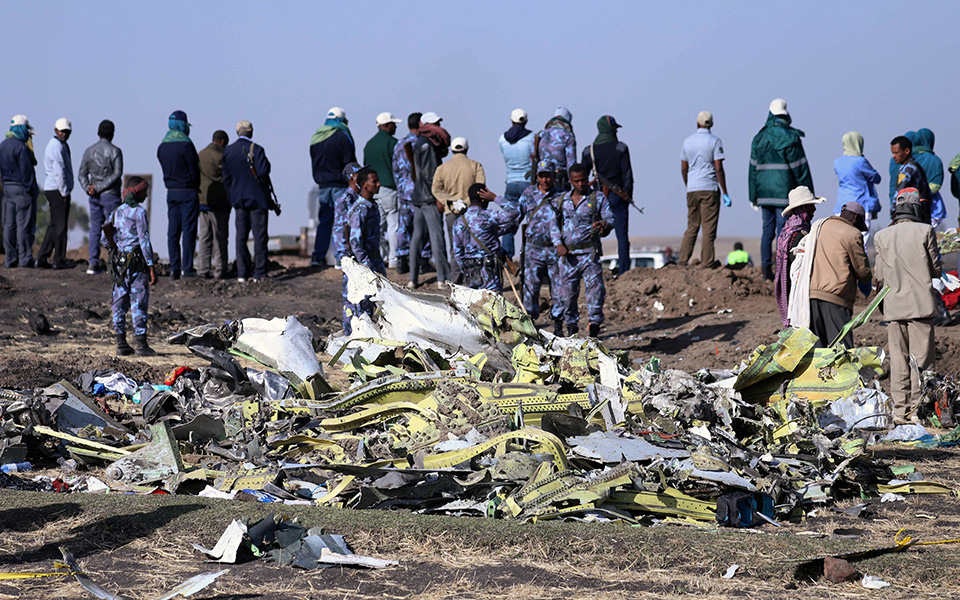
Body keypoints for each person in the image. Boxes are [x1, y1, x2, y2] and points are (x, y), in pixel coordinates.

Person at [873, 188, 941, 423]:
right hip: (920, 306)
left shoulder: (881, 236)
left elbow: (879, 274)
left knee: (899, 360)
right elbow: (935, 269)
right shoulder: (926, 231)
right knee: (921, 361)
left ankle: (899, 411)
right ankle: (917, 411)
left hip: (894, 307)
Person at [749, 99, 814, 281]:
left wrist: (753, 196)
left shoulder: (759, 138)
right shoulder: (791, 137)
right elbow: (801, 169)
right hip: (784, 192)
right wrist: (808, 194)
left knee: (767, 231)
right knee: (783, 231)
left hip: (764, 193)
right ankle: (782, 270)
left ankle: (765, 271)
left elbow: (752, 169)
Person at [555, 163, 614, 338]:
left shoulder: (598, 198)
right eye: (576, 181)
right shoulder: (561, 201)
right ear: (571, 181)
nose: (581, 184)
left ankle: (594, 331)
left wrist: (603, 225)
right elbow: (553, 224)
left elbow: (610, 218)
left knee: (595, 294)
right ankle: (571, 332)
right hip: (568, 258)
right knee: (567, 296)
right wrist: (558, 243)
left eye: (583, 180)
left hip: (589, 255)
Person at [101, 176, 157, 357]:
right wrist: (151, 266)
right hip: (137, 264)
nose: (146, 195)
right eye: (144, 191)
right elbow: (144, 240)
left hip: (118, 265)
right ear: (137, 191)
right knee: (138, 303)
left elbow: (105, 238)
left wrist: (116, 251)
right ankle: (141, 344)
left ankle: (121, 343)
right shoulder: (139, 213)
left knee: (118, 303)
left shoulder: (117, 211)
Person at [808, 201, 872, 348]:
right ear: (856, 218)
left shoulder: (819, 227)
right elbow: (862, 271)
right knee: (841, 349)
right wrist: (867, 281)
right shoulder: (852, 233)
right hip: (836, 298)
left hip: (811, 295)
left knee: (818, 350)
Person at [581, 115, 634, 275]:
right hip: (618, 197)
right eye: (614, 128)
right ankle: (624, 271)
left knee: (591, 232)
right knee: (622, 235)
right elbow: (628, 176)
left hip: (596, 198)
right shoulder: (621, 148)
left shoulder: (589, 151)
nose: (616, 130)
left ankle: (590, 268)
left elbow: (582, 176)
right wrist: (627, 196)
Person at [222, 121, 271, 282]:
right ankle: (259, 272)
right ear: (251, 132)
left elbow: (226, 179)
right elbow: (264, 171)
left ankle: (242, 273)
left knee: (241, 237)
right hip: (257, 200)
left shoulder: (228, 152)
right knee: (260, 238)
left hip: (239, 201)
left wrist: (233, 198)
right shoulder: (257, 150)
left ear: (237, 132)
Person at [432, 136, 486, 284]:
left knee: (455, 249)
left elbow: (436, 189)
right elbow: (480, 187)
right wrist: (466, 202)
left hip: (451, 213)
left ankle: (456, 283)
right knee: (474, 247)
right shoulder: (475, 166)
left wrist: (450, 201)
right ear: (466, 149)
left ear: (452, 150)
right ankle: (474, 281)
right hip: (471, 213)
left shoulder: (443, 168)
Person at [679, 111, 729, 269]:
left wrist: (689, 184)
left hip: (692, 188)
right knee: (708, 227)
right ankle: (707, 262)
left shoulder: (687, 141)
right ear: (711, 124)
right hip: (709, 187)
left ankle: (682, 260)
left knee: (692, 225)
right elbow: (718, 168)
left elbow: (683, 167)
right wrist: (725, 192)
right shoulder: (714, 141)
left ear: (697, 123)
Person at [520, 159, 564, 334]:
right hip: (533, 249)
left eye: (548, 176)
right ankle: (529, 325)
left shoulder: (561, 196)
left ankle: (559, 325)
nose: (545, 180)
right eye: (542, 176)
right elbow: (516, 217)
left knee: (559, 287)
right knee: (531, 287)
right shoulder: (528, 195)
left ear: (554, 176)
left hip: (555, 249)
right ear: (537, 176)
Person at [407, 112, 451, 289]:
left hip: (418, 196)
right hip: (429, 198)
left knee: (417, 238)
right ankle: (443, 278)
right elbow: (430, 175)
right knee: (436, 237)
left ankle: (412, 278)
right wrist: (438, 197)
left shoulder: (419, 143)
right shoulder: (428, 145)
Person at [157, 110, 200, 279]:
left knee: (173, 231)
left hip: (171, 192)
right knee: (188, 231)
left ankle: (174, 268)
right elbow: (194, 169)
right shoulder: (186, 145)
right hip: (188, 191)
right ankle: (187, 268)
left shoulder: (162, 146)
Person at [342, 167, 386, 335]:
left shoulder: (372, 206)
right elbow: (355, 241)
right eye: (374, 181)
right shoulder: (360, 208)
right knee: (360, 306)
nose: (378, 184)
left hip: (374, 260)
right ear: (364, 185)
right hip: (362, 265)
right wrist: (366, 266)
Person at [452, 183, 519, 292]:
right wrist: (495, 198)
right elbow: (513, 212)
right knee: (493, 305)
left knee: (476, 305)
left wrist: (467, 271)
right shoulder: (487, 216)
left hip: (472, 274)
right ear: (484, 199)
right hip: (490, 273)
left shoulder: (458, 222)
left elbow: (458, 253)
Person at [310, 107, 356, 266]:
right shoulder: (342, 136)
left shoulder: (316, 137)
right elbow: (350, 162)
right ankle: (340, 257)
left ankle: (318, 257)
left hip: (322, 186)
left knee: (324, 221)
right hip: (339, 185)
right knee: (342, 221)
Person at [775, 186, 825, 327]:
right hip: (799, 291)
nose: (814, 210)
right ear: (803, 209)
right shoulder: (800, 236)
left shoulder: (786, 233)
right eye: (811, 207)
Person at [78, 119, 123, 274]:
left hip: (94, 196)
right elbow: (117, 174)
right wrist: (99, 187)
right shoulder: (115, 151)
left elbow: (82, 174)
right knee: (114, 229)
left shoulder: (89, 151)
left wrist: (89, 188)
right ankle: (116, 262)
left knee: (95, 228)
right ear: (112, 134)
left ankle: (93, 263)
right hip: (111, 195)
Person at [0, 115, 39, 268]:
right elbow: (27, 173)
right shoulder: (21, 148)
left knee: (9, 224)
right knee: (24, 225)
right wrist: (31, 190)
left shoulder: (2, 145)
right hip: (22, 189)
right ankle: (25, 259)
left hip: (7, 189)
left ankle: (10, 259)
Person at [363, 112, 401, 268]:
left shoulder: (369, 145)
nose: (395, 127)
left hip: (373, 190)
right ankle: (393, 260)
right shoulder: (393, 143)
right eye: (393, 124)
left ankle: (379, 257)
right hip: (389, 188)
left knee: (377, 226)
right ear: (386, 125)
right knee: (393, 225)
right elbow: (400, 167)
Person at [498, 108, 535, 259]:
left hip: (511, 182)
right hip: (528, 183)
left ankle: (507, 257)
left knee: (510, 221)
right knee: (533, 221)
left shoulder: (502, 139)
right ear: (525, 121)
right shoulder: (532, 137)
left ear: (511, 120)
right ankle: (532, 256)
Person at [833, 132, 881, 245]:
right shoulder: (860, 161)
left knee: (842, 242)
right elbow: (876, 178)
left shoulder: (837, 162)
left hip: (841, 206)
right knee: (860, 242)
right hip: (861, 204)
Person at [38, 118, 74, 270]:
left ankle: (42, 257)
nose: (64, 134)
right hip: (58, 189)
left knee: (54, 225)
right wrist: (64, 191)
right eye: (61, 131)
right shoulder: (56, 147)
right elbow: (59, 171)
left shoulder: (60, 145)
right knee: (60, 227)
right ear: (55, 130)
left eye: (66, 131)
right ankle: (59, 259)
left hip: (55, 188)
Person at [392, 112, 425, 274]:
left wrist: (401, 186)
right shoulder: (423, 144)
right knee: (422, 226)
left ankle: (402, 259)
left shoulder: (399, 145)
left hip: (404, 192)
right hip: (420, 192)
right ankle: (423, 260)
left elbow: (395, 170)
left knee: (404, 226)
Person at [196, 130, 230, 279]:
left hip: (203, 201)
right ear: (223, 142)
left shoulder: (200, 154)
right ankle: (220, 269)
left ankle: (202, 269)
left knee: (204, 237)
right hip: (219, 203)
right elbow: (227, 178)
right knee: (220, 237)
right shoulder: (222, 157)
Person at [890, 135, 932, 222]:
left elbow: (900, 191)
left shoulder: (908, 169)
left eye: (896, 153)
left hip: (911, 214)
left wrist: (893, 210)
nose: (894, 156)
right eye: (893, 153)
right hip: (922, 213)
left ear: (907, 151)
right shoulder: (916, 166)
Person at [534, 107, 576, 190]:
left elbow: (534, 157)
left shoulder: (540, 134)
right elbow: (571, 163)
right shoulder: (568, 136)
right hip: (560, 179)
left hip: (542, 178)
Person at [912, 128, 947, 228]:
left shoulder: (909, 159)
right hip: (933, 206)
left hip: (911, 205)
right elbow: (937, 184)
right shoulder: (935, 160)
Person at [332, 162, 362, 265]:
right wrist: (345, 254)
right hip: (351, 254)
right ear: (352, 178)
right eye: (360, 175)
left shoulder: (361, 198)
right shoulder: (344, 200)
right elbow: (341, 228)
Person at [888, 131, 916, 214]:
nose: (894, 156)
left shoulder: (905, 167)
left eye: (896, 153)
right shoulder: (911, 166)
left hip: (903, 207)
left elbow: (898, 188)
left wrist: (893, 207)